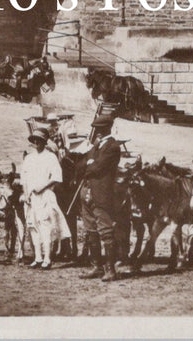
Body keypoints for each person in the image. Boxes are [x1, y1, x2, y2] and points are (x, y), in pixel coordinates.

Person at [76, 113, 122, 282]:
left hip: (102, 195)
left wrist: (90, 163)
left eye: (99, 129)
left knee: (105, 231)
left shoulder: (112, 147)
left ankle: (110, 269)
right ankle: (96, 267)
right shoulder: (95, 147)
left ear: (105, 129)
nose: (96, 132)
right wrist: (89, 162)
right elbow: (80, 167)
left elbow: (99, 168)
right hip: (87, 194)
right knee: (91, 230)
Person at [20, 128, 72, 269]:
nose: (36, 143)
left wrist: (42, 187)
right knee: (32, 226)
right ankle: (37, 257)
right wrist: (26, 194)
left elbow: (56, 177)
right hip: (31, 198)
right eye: (34, 140)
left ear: (44, 142)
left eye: (40, 140)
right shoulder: (29, 158)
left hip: (45, 196)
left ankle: (47, 258)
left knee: (45, 226)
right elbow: (24, 178)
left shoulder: (50, 157)